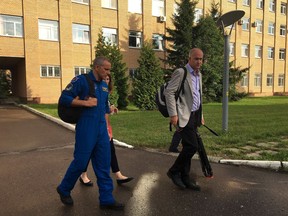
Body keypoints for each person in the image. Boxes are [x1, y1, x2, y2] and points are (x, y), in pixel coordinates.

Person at [56, 56, 124, 210]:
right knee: (80, 162)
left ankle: (106, 199)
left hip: (101, 128)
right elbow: (64, 98)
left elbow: (104, 105)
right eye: (106, 69)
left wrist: (110, 110)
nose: (108, 73)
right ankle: (64, 188)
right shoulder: (81, 80)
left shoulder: (104, 85)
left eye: (109, 69)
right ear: (97, 67)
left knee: (104, 163)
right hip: (86, 127)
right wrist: (85, 103)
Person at [79, 74, 133, 186]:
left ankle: (118, 175)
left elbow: (105, 111)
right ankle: (83, 175)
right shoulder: (95, 91)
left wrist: (111, 109)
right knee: (88, 153)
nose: (106, 81)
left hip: (104, 128)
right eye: (104, 79)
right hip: (94, 128)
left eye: (108, 79)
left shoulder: (105, 93)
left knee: (111, 150)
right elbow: (100, 112)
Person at [164, 48, 205, 191]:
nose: (199, 61)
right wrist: (173, 114)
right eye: (196, 59)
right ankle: (174, 171)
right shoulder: (181, 72)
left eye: (201, 59)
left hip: (194, 115)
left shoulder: (198, 75)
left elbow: (198, 96)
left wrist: (201, 115)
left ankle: (185, 177)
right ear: (189, 58)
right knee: (192, 146)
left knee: (188, 145)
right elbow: (169, 92)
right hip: (183, 115)